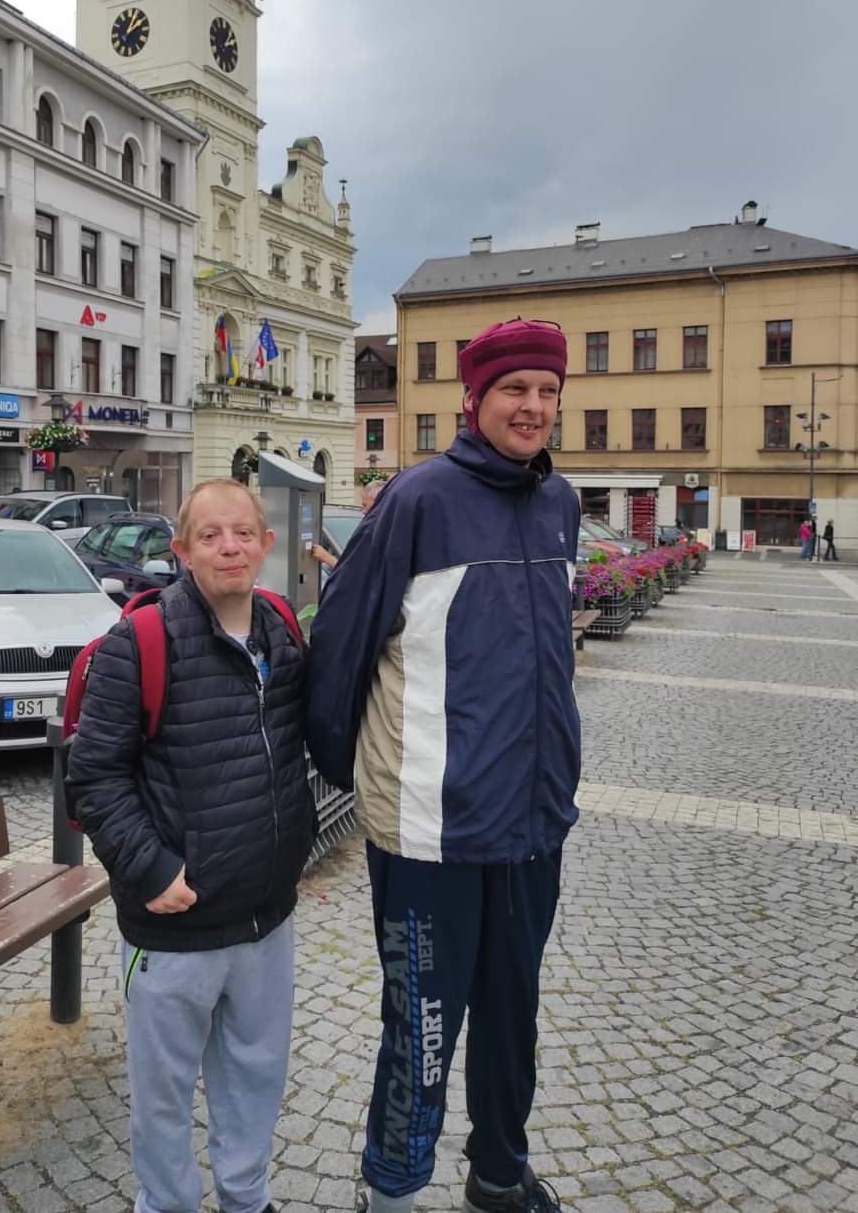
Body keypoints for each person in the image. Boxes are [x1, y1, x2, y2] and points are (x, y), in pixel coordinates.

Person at [306, 319, 579, 1213]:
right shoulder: (417, 501)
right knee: (422, 1029)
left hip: (532, 822)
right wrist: (353, 772)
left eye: (547, 391)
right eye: (514, 390)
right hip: (431, 828)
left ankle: (499, 1175)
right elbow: (341, 644)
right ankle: (391, 1192)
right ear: (473, 399)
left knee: (512, 1018)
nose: (532, 407)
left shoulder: (560, 503)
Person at [66, 478, 314, 1213]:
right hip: (173, 922)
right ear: (181, 550)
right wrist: (150, 870)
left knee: (256, 1076)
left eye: (243, 533)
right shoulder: (140, 642)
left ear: (266, 545)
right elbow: (93, 777)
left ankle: (247, 1199)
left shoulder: (280, 628)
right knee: (164, 1095)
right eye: (210, 536)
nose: (229, 548)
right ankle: (166, 1204)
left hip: (266, 915)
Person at [311, 477, 386, 573]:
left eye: (365, 505)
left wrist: (326, 557)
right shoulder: (387, 529)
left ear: (378, 502)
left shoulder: (379, 535)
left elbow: (356, 573)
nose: (363, 511)